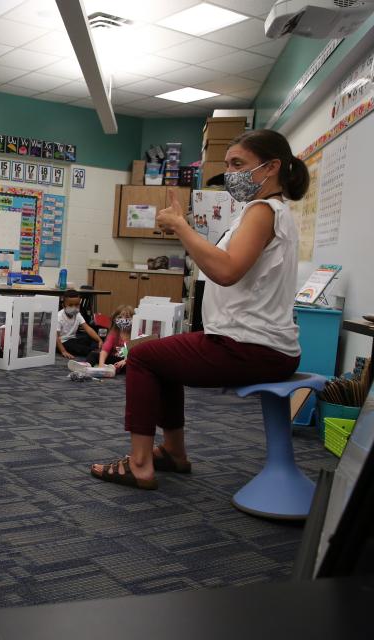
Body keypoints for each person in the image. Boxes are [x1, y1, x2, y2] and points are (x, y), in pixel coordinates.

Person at [91, 129, 306, 490]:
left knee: (142, 357)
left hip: (249, 347)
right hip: (255, 344)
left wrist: (180, 228)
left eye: (239, 164)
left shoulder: (262, 210)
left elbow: (225, 270)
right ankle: (174, 453)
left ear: (271, 167)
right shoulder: (266, 212)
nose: (231, 173)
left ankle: (140, 464)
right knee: (160, 357)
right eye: (228, 164)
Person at [55, 289, 102, 359]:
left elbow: (88, 329)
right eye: (70, 305)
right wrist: (63, 351)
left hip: (73, 339)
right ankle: (96, 353)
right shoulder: (59, 317)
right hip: (62, 343)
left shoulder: (77, 314)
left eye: (77, 305)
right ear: (63, 305)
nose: (74, 307)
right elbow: (56, 337)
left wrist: (99, 340)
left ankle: (97, 349)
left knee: (89, 338)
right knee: (77, 347)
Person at [89, 305, 134, 370]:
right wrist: (101, 365)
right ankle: (87, 366)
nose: (123, 319)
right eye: (120, 317)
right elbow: (105, 350)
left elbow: (136, 353)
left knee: (133, 363)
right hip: (114, 359)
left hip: (127, 360)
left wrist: (125, 361)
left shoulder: (135, 333)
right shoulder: (114, 333)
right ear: (115, 319)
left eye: (127, 317)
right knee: (93, 354)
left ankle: (113, 369)